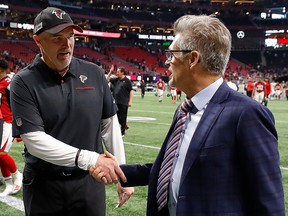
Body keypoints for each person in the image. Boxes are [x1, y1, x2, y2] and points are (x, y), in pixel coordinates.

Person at [91, 14, 285, 215]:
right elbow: (173, 169)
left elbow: (269, 202)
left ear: (192, 59)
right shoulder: (185, 109)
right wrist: (119, 170)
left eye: (172, 55)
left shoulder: (247, 114)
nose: (167, 62)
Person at [9, 7, 133, 216]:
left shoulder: (94, 73)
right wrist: (91, 159)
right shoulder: (23, 82)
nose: (67, 45)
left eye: (71, 36)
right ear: (38, 41)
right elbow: (34, 140)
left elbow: (109, 125)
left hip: (87, 185)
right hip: (44, 187)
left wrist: (123, 173)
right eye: (57, 38)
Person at [0, 59, 23, 197]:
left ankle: (17, 175)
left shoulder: (9, 83)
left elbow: (20, 99)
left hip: (9, 122)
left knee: (2, 153)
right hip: (2, 122)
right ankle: (8, 183)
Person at [107, 65, 133, 137]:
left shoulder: (127, 81)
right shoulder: (116, 79)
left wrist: (130, 101)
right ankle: (124, 125)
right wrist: (110, 72)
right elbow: (107, 80)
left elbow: (131, 91)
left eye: (118, 72)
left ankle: (122, 132)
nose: (117, 73)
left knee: (123, 117)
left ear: (122, 73)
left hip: (124, 102)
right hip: (115, 102)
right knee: (116, 117)